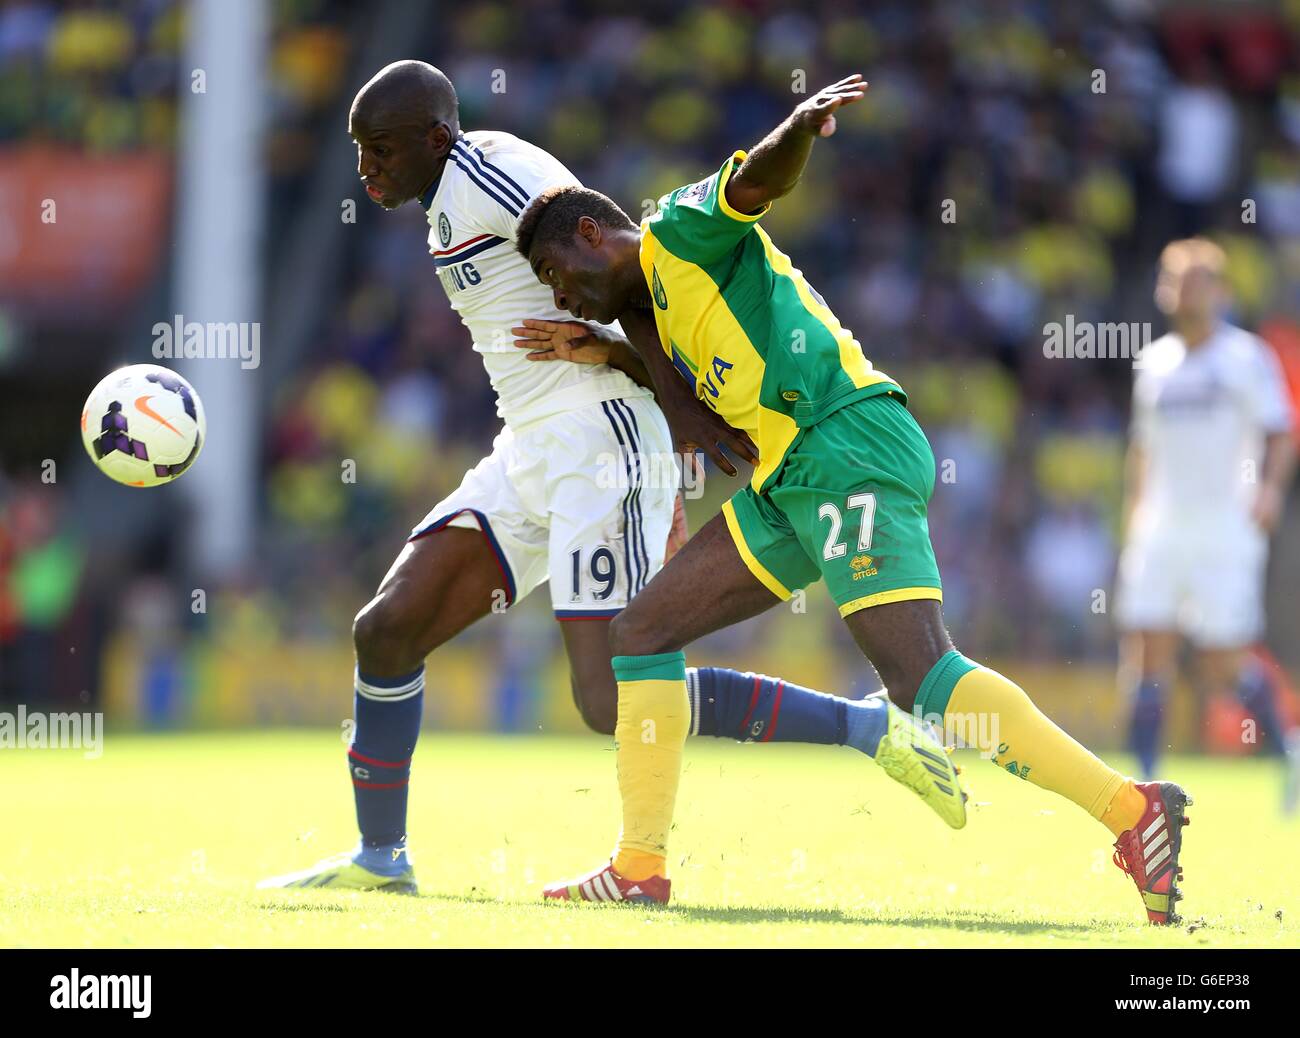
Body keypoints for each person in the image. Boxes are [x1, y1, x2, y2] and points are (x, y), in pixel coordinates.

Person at [260, 62, 963, 896]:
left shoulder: (495, 171)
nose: (367, 170)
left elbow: (620, 258)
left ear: (436, 137)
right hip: (530, 447)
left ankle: (869, 727)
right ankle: (382, 860)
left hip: (604, 439)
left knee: (609, 698)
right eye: (358, 154)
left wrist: (674, 415)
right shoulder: (441, 200)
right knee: (386, 628)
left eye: (379, 151)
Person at [516, 74, 1191, 924]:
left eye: (554, 271)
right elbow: (670, 371)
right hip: (789, 475)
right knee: (642, 633)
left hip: (844, 440)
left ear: (590, 232)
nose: (557, 294)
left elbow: (755, 183)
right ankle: (640, 866)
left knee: (919, 678)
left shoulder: (677, 230)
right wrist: (608, 353)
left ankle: (1134, 812)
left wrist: (797, 127)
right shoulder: (656, 310)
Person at [1117, 237, 1299, 807]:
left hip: (1225, 527)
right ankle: (1144, 785)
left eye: (1198, 280)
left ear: (1219, 290)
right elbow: (1142, 448)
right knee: (1149, 648)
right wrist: (1134, 513)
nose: (1186, 291)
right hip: (1162, 525)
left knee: (1224, 663)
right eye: (1176, 280)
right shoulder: (1156, 364)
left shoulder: (1246, 358)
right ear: (1165, 290)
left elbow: (1281, 431)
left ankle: (1289, 756)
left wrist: (1269, 491)